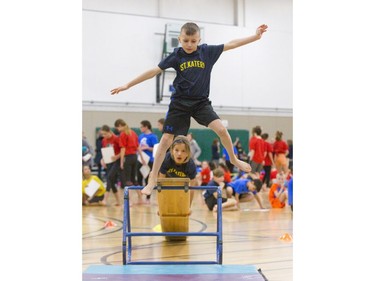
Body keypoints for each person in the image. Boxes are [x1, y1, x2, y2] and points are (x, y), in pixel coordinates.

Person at [111, 22, 268, 195]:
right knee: (165, 141)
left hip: (201, 103)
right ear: (180, 39)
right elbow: (154, 71)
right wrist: (128, 84)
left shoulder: (207, 52)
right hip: (179, 103)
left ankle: (233, 158)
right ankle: (152, 178)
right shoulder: (176, 55)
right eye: (186, 40)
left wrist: (255, 36)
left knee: (222, 130)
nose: (189, 44)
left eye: (193, 41)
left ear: (199, 40)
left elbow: (232, 44)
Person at [158, 135, 198, 206]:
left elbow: (191, 189)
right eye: (176, 150)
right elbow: (161, 184)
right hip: (168, 183)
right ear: (172, 151)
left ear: (188, 153)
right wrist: (161, 206)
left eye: (183, 151)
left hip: (182, 186)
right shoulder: (166, 159)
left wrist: (188, 207)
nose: (179, 154)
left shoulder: (191, 165)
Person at [137, 120, 159, 202]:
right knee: (139, 177)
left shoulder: (153, 137)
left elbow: (156, 149)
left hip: (149, 160)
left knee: (147, 177)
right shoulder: (141, 136)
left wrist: (147, 148)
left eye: (141, 126)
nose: (140, 128)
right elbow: (138, 146)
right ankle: (140, 196)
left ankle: (148, 197)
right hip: (141, 159)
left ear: (146, 127)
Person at [100, 125, 122, 206]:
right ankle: (118, 201)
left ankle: (105, 199)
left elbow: (122, 151)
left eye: (105, 134)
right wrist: (103, 160)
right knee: (111, 182)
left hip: (116, 161)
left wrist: (117, 157)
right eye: (102, 134)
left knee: (109, 177)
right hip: (109, 161)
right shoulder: (104, 140)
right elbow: (104, 151)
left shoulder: (116, 139)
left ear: (109, 131)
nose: (104, 136)